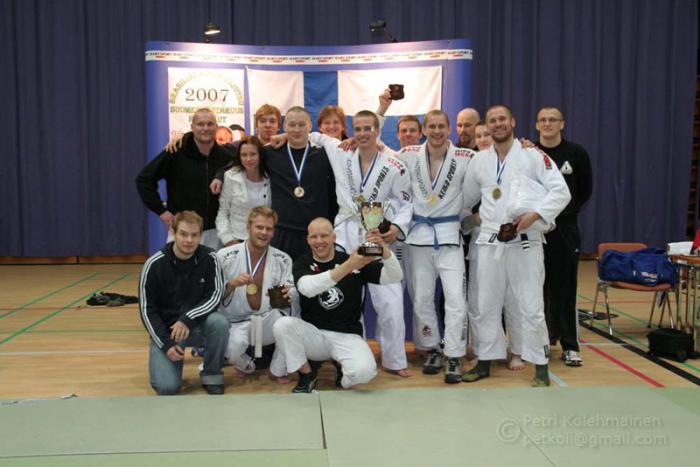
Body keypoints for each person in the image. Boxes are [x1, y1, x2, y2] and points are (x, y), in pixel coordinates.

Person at [461, 104, 571, 387]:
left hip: (525, 242)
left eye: (502, 119)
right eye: (492, 120)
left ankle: (541, 366)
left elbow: (562, 192)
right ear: (487, 126)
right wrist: (467, 220)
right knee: (486, 305)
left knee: (531, 306)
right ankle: (484, 361)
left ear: (512, 122)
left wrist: (536, 215)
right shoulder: (479, 161)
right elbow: (466, 199)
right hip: (489, 243)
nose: (498, 124)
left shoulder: (533, 155)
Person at [302, 110, 414, 377]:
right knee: (348, 297)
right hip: (345, 233)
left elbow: (406, 201)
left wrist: (396, 227)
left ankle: (395, 360)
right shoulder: (341, 151)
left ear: (378, 131)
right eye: (358, 129)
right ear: (352, 131)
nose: (363, 134)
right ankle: (352, 355)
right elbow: (312, 134)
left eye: (368, 129)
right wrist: (284, 135)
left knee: (389, 299)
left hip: (375, 234)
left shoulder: (394, 163)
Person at [273, 218, 403, 392]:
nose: (319, 241)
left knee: (364, 373)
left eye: (324, 236)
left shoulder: (355, 261)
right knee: (282, 325)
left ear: (334, 237)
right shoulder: (303, 263)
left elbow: (395, 276)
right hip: (314, 335)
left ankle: (344, 372)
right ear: (308, 240)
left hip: (347, 335)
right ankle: (307, 375)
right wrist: (349, 266)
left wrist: (383, 249)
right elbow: (307, 288)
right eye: (314, 237)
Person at [399, 110, 476, 383]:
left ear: (449, 129)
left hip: (449, 236)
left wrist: (525, 147)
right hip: (418, 237)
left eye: (441, 126)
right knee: (422, 298)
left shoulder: (466, 157)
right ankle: (431, 348)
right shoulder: (408, 155)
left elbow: (494, 160)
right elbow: (378, 154)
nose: (436, 131)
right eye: (431, 126)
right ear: (424, 129)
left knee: (455, 299)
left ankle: (454, 354)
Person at [138, 210, 228, 395]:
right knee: (167, 388)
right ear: (173, 232)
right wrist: (165, 343)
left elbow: (215, 296)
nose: (189, 240)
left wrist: (187, 319)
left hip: (198, 326)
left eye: (194, 235)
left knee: (219, 322)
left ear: (200, 235)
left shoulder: (210, 259)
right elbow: (147, 310)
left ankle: (211, 374)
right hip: (168, 332)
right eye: (183, 234)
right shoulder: (154, 264)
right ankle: (168, 360)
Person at [535, 106, 593, 367]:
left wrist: (560, 214)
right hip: (535, 230)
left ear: (562, 124)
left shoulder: (576, 153)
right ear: (537, 125)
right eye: (543, 120)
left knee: (565, 288)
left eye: (553, 119)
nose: (548, 124)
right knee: (536, 289)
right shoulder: (529, 153)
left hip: (565, 230)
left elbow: (585, 191)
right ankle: (542, 342)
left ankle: (570, 345)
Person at [217, 206, 297, 381]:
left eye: (269, 229)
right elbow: (212, 295)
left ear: (273, 232)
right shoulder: (224, 256)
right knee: (232, 350)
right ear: (248, 227)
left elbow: (287, 299)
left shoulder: (283, 259)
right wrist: (231, 284)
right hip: (236, 322)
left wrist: (287, 295)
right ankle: (245, 365)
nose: (264, 233)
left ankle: (278, 369)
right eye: (259, 227)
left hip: (267, 319)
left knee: (290, 320)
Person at [136, 108, 234, 249]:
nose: (205, 128)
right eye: (200, 124)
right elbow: (144, 179)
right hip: (182, 231)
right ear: (192, 127)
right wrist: (161, 211)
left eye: (210, 124)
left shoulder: (227, 156)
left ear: (216, 127)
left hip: (215, 233)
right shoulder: (175, 151)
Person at [215, 136, 271, 246]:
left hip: (264, 240)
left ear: (260, 155)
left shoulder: (270, 178)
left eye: (253, 154)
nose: (248, 159)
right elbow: (223, 212)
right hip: (236, 239)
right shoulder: (231, 177)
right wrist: (228, 240)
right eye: (244, 155)